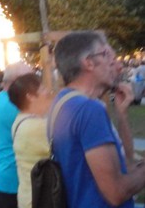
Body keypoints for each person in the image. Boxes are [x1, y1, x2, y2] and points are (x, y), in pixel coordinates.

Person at [52, 31, 145, 207]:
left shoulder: (62, 102)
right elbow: (115, 192)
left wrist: (122, 114)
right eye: (105, 54)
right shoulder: (89, 110)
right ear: (88, 63)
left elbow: (125, 164)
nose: (114, 62)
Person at [0, 61, 32, 208]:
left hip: (3, 174)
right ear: (16, 82)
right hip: (13, 179)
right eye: (29, 79)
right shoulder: (13, 104)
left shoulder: (1, 98)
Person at [7, 73, 52, 208]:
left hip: (28, 196)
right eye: (43, 89)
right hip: (41, 199)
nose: (48, 92)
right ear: (30, 97)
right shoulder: (37, 127)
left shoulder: (20, 120)